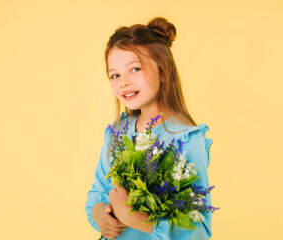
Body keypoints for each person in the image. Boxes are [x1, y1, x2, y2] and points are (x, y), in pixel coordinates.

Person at [85, 17, 214, 240]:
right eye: (115, 75)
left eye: (134, 69)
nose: (123, 81)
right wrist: (99, 215)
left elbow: (198, 229)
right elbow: (98, 191)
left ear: (163, 72)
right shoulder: (117, 133)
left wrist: (134, 218)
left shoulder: (185, 139)